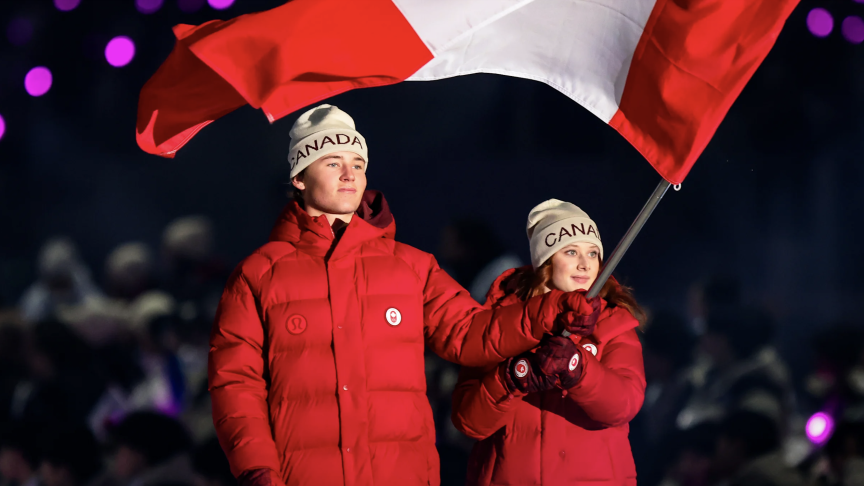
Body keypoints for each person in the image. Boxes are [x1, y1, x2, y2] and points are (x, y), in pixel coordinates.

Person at [208, 105, 595, 486]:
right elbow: (235, 383)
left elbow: (472, 332)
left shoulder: (411, 266)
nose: (349, 175)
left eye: (358, 164)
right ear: (299, 177)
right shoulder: (257, 275)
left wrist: (552, 310)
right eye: (332, 163)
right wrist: (255, 469)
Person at [451, 199, 647, 486]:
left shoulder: (614, 323)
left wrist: (579, 370)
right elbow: (469, 421)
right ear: (545, 259)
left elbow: (624, 405)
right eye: (571, 251)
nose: (585, 263)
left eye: (593, 253)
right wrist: (513, 379)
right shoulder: (500, 321)